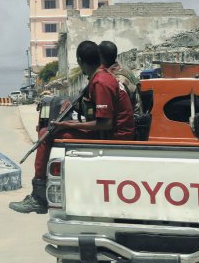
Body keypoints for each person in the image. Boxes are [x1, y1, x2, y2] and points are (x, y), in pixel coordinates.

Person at [10, 40, 135, 214]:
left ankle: (39, 196)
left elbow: (105, 123)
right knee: (52, 130)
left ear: (80, 61)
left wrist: (68, 124)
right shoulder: (101, 76)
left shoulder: (101, 82)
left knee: (48, 134)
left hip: (113, 136)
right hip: (109, 131)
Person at [98, 40, 139, 109]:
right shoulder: (126, 70)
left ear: (101, 57)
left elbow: (107, 107)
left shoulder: (114, 79)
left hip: (129, 117)